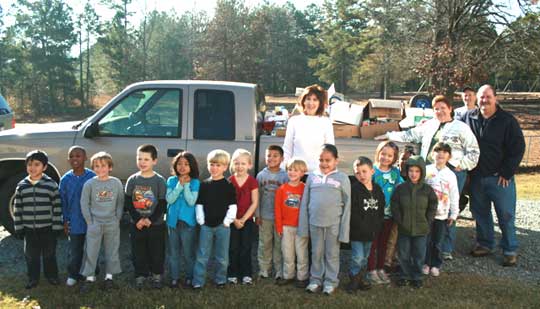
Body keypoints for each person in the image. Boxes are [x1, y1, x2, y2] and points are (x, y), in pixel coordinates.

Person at [382, 95, 479, 258]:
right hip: (429, 172)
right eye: (436, 108)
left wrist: (460, 165)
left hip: (452, 172)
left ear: (450, 109)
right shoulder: (430, 125)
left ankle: (445, 248)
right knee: (428, 209)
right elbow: (410, 135)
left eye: (443, 107)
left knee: (448, 208)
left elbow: (474, 152)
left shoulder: (461, 128)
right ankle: (427, 246)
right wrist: (389, 135)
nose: (439, 111)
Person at [462, 84, 525, 267]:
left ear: (495, 98)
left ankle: (509, 249)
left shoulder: (507, 120)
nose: (484, 100)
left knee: (505, 215)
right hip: (476, 178)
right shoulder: (469, 118)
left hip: (500, 178)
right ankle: (485, 244)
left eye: (488, 96)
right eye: (481, 97)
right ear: (477, 98)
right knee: (480, 213)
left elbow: (518, 148)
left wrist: (507, 172)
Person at [298, 144, 351, 295]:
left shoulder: (342, 178)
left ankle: (330, 282)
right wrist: (303, 226)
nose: (324, 163)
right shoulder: (312, 177)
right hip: (315, 223)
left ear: (336, 161)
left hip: (333, 224)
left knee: (332, 254)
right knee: (316, 253)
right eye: (321, 160)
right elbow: (305, 203)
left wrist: (344, 231)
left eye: (328, 160)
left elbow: (347, 206)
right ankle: (315, 280)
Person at [13, 150, 63, 289]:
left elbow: (57, 207)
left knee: (49, 254)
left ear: (45, 167)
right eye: (29, 164)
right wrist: (19, 227)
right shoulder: (22, 186)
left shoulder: (50, 184)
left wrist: (57, 226)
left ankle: (51, 276)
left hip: (47, 228)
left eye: (37, 164)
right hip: (29, 229)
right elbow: (18, 208)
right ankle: (33, 278)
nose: (32, 168)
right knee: (31, 256)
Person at [79, 152, 124, 292]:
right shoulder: (89, 184)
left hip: (112, 223)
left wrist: (117, 218)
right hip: (95, 223)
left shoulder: (116, 183)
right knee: (91, 251)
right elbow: (84, 203)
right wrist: (89, 221)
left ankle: (109, 278)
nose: (100, 169)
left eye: (103, 166)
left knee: (112, 250)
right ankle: (89, 278)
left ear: (110, 167)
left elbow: (120, 202)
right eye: (96, 166)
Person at [192, 149, 237, 289]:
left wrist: (227, 222)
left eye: (218, 165)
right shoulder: (204, 185)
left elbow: (232, 205)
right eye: (212, 164)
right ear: (207, 165)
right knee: (202, 255)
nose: (214, 168)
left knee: (222, 256)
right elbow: (199, 203)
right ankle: (198, 281)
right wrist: (201, 221)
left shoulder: (228, 185)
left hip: (223, 226)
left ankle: (220, 279)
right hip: (206, 226)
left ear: (225, 167)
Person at [391, 155, 438, 289]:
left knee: (419, 254)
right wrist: (400, 220)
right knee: (403, 253)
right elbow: (395, 204)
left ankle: (417, 276)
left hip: (421, 229)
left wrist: (428, 221)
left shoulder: (427, 190)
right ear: (407, 171)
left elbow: (433, 205)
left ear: (422, 172)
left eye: (417, 171)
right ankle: (404, 275)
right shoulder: (401, 188)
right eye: (411, 171)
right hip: (404, 228)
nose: (413, 174)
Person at [125, 144, 167, 289]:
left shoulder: (159, 180)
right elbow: (128, 202)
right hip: (137, 224)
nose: (142, 162)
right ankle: (140, 275)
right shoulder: (132, 180)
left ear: (154, 161)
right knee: (138, 251)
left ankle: (156, 275)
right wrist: (138, 219)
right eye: (140, 158)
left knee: (156, 251)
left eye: (146, 159)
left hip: (155, 224)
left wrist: (150, 219)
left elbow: (162, 203)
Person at [367, 141, 404, 285]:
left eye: (390, 155)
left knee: (384, 243)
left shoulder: (395, 173)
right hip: (374, 215)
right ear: (378, 153)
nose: (386, 158)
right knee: (373, 244)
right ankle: (371, 270)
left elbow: (400, 187)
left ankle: (380, 268)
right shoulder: (372, 171)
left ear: (394, 158)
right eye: (383, 154)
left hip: (389, 215)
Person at [346, 157, 385, 293]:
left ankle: (360, 278)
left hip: (371, 232)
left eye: (364, 171)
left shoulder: (378, 190)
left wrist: (377, 226)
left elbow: (381, 209)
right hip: (357, 232)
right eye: (357, 172)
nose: (361, 175)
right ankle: (353, 279)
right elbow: (352, 211)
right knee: (357, 257)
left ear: (372, 171)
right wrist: (357, 226)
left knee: (365, 257)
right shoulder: (354, 190)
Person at [59, 146, 96, 287]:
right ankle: (73, 274)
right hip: (74, 221)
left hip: (91, 221)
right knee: (74, 249)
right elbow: (63, 202)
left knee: (91, 249)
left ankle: (89, 273)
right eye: (72, 156)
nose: (75, 158)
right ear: (68, 159)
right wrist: (65, 221)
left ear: (85, 158)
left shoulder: (92, 177)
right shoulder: (66, 179)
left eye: (78, 155)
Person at [423, 143, 459, 277]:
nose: (441, 154)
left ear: (449, 157)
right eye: (438, 151)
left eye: (444, 152)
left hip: (442, 215)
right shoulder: (426, 171)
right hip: (426, 214)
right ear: (432, 154)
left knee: (437, 241)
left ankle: (435, 264)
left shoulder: (451, 175)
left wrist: (454, 214)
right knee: (426, 239)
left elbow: (454, 195)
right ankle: (425, 263)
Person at [165, 151, 200, 288]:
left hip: (188, 223)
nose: (182, 167)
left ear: (192, 166)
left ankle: (190, 277)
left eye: (186, 164)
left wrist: (186, 185)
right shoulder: (171, 181)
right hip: (172, 222)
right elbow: (170, 199)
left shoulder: (195, 182)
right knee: (174, 252)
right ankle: (174, 277)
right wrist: (179, 185)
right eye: (179, 164)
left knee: (188, 253)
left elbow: (191, 201)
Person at [283, 84, 335, 173]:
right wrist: (283, 170)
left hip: (318, 174)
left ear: (320, 103)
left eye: (315, 100)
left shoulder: (326, 122)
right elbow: (287, 149)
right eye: (308, 99)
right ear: (303, 101)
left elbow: (330, 150)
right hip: (297, 173)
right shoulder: (294, 121)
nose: (311, 103)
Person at [274, 158, 308, 288]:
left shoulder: (305, 189)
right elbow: (277, 209)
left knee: (301, 253)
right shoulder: (282, 189)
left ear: (303, 172)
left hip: (301, 227)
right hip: (286, 227)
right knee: (287, 252)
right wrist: (279, 226)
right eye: (290, 169)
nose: (292, 172)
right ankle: (288, 275)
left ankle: (302, 277)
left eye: (296, 170)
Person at [256, 145, 288, 281]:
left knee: (279, 244)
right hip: (265, 216)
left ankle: (279, 270)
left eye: (275, 156)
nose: (271, 158)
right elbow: (256, 197)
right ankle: (264, 269)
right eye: (269, 155)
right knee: (265, 243)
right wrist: (257, 214)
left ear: (282, 158)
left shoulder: (285, 176)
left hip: (280, 218)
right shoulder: (261, 175)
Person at [227, 149, 259, 285]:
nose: (240, 166)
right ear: (232, 165)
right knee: (233, 248)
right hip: (232, 220)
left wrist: (243, 220)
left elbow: (254, 202)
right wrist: (234, 220)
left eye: (243, 164)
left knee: (246, 248)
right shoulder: (229, 181)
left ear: (249, 165)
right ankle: (232, 273)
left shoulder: (252, 182)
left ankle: (246, 274)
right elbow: (226, 203)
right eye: (237, 163)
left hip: (247, 221)